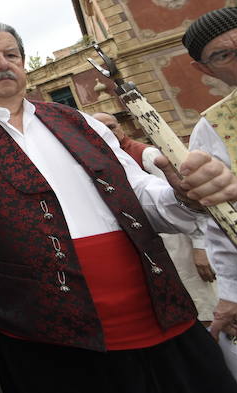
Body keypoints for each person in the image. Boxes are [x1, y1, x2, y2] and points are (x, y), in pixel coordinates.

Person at [0, 21, 237, 393]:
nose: (3, 64)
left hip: (156, 307)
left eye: (11, 55)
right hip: (54, 335)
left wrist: (183, 197)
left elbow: (142, 196)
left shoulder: (77, 121)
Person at [93, 112, 218, 323]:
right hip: (155, 248)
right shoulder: (107, 159)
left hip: (180, 242)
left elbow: (186, 200)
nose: (109, 133)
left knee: (205, 306)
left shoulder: (146, 154)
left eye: (112, 126)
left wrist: (200, 246)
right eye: (102, 129)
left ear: (121, 127)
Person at [183, 7, 237, 339]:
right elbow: (221, 218)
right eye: (224, 55)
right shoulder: (214, 128)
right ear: (204, 69)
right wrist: (234, 293)